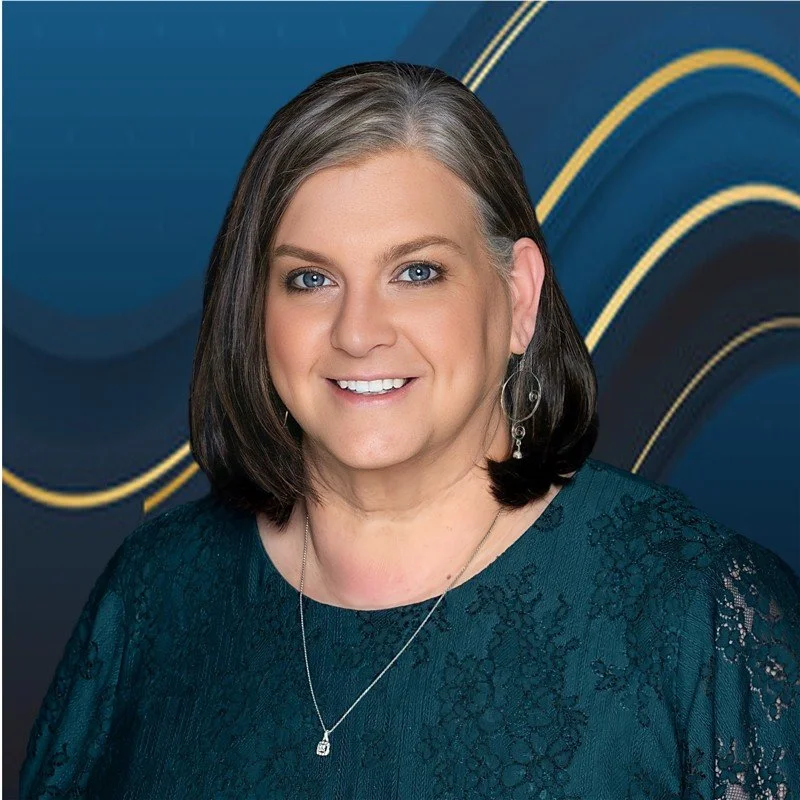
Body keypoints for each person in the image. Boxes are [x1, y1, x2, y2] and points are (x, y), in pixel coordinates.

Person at [20, 61, 799, 799]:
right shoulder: (154, 595)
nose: (358, 332)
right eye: (310, 279)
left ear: (519, 296)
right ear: (255, 312)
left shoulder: (701, 610)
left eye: (417, 272)